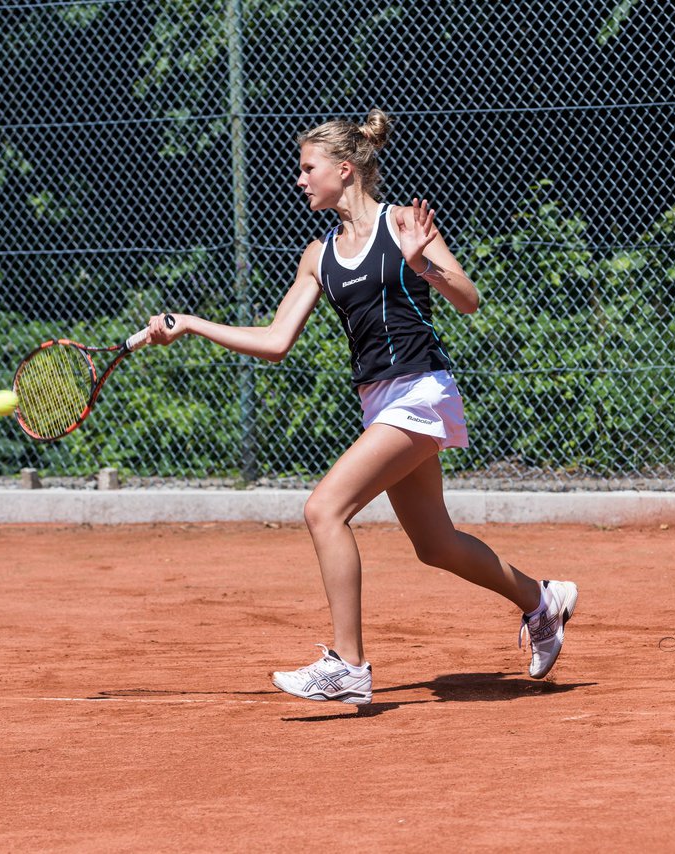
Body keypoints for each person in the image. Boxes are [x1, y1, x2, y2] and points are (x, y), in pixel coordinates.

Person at [145, 109, 577, 705]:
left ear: (344, 169)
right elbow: (275, 342)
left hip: (422, 391)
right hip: (380, 403)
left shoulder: (402, 222)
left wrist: (423, 263)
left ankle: (348, 665)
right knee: (435, 543)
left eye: (308, 168)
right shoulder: (317, 256)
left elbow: (469, 299)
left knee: (324, 510)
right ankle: (541, 601)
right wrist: (191, 324)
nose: (300, 179)